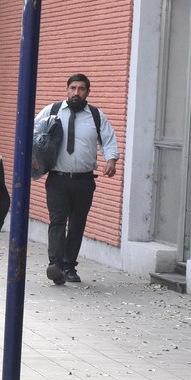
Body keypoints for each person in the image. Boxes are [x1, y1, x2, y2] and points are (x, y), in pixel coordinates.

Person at [37, 73, 119, 285]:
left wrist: (111, 159)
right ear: (67, 90)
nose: (76, 92)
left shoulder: (96, 115)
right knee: (57, 221)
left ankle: (69, 267)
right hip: (57, 179)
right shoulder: (52, 111)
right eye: (73, 88)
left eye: (81, 89)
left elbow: (108, 139)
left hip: (84, 181)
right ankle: (55, 265)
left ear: (87, 92)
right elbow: (34, 133)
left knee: (77, 224)